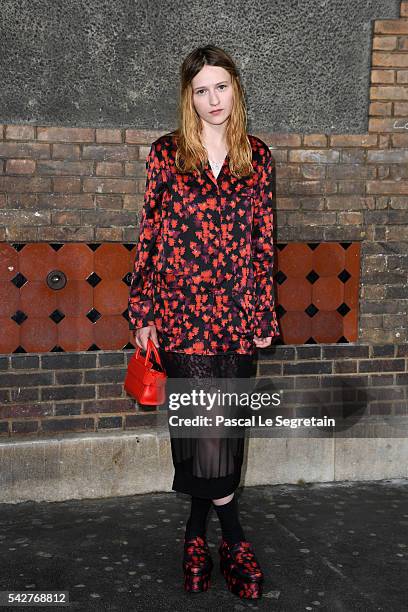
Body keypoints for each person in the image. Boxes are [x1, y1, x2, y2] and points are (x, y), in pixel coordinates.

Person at [128, 45, 280, 600]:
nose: (213, 100)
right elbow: (150, 233)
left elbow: (264, 241)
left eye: (221, 87)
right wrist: (143, 311)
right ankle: (233, 540)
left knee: (223, 428)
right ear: (188, 98)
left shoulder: (256, 157)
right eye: (201, 90)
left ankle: (196, 534)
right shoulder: (167, 154)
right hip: (182, 315)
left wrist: (263, 311)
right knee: (202, 427)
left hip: (238, 318)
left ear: (235, 89)